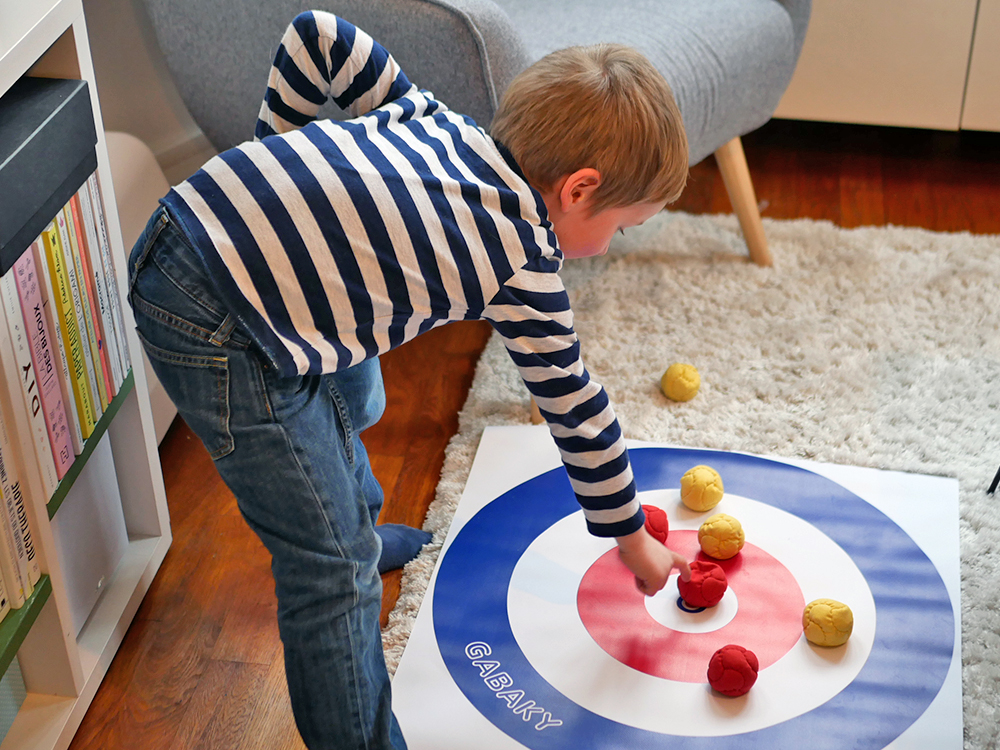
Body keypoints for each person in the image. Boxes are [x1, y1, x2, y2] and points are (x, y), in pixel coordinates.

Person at [127, 10, 692, 750]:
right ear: (580, 190)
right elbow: (577, 408)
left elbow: (317, 34)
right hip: (214, 319)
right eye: (625, 224)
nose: (612, 242)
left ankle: (356, 521)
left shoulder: (435, 116)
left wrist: (277, 160)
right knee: (333, 569)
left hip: (193, 226)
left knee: (359, 393)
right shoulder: (519, 259)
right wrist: (630, 537)